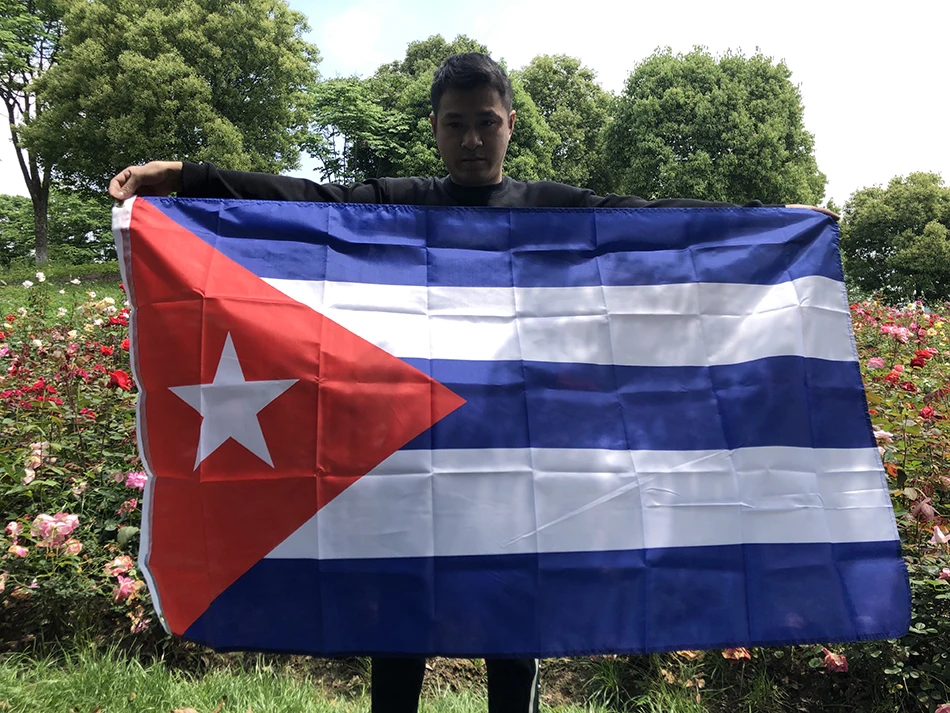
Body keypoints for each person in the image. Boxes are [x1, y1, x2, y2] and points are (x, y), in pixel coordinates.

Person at [109, 52, 835, 713]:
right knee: (401, 617)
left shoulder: (553, 212)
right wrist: (188, 176)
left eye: (486, 123)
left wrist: (776, 225)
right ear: (434, 129)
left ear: (510, 124)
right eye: (455, 125)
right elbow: (303, 200)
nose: (471, 140)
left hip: (514, 462)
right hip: (409, 460)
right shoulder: (398, 207)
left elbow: (651, 224)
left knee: (512, 613)